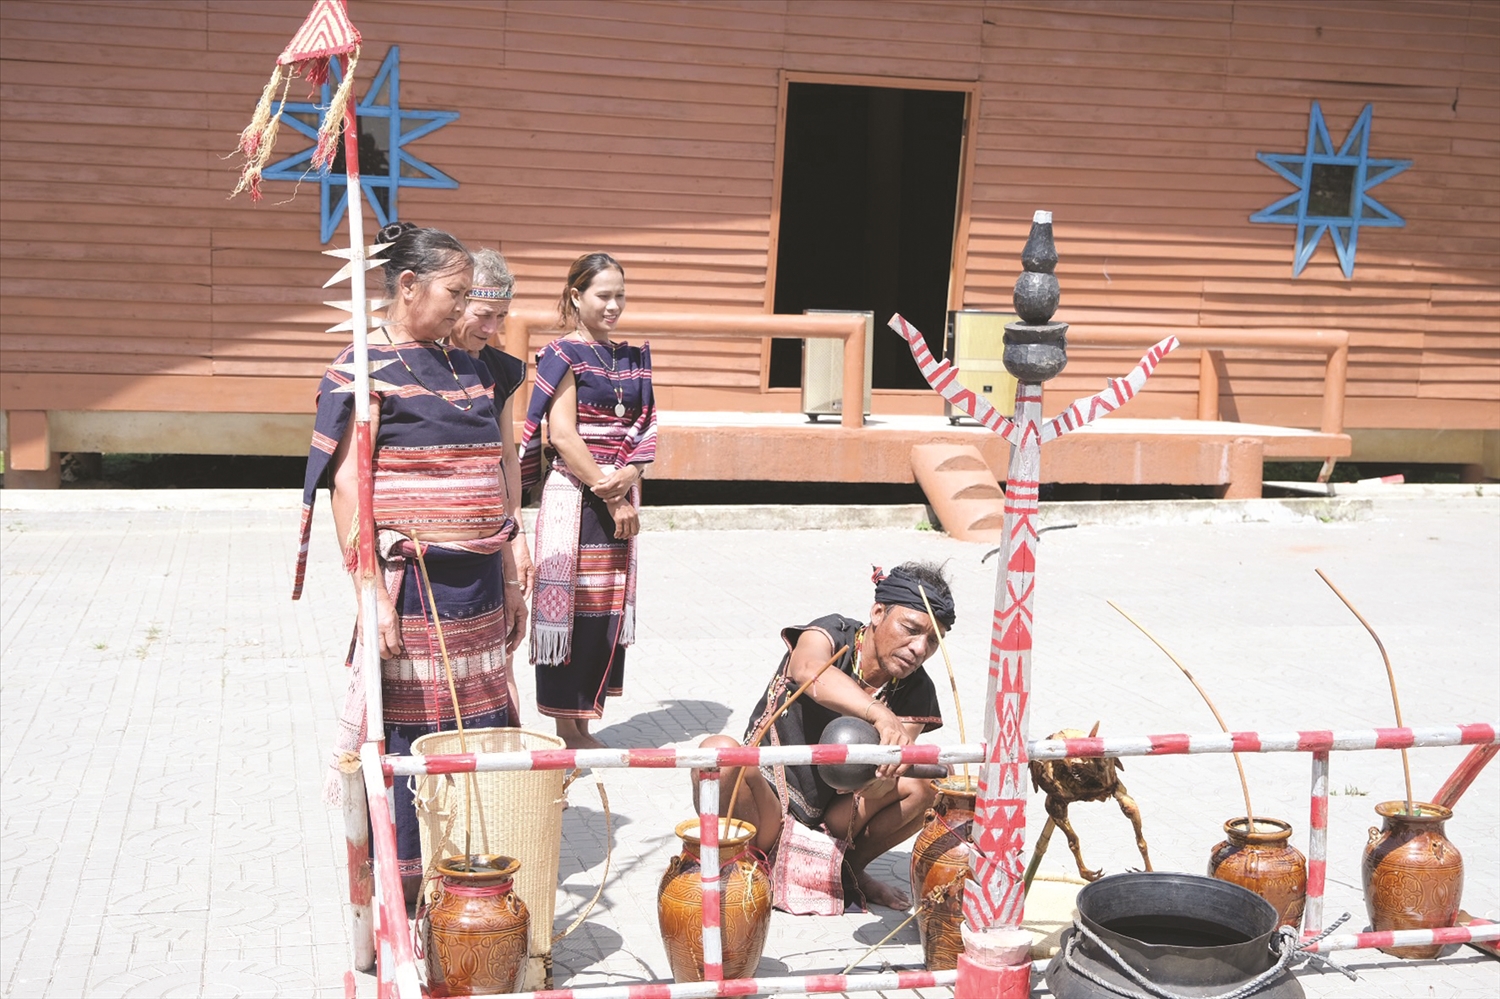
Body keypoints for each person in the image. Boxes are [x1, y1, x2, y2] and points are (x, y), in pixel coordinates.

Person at [294, 222, 524, 902]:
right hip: (416, 592)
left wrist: (512, 576)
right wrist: (370, 589)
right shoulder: (362, 369)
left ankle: (476, 884)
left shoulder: (473, 370)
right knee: (415, 743)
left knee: (479, 740)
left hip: (481, 589)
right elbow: (346, 485)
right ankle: (409, 897)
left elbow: (496, 477)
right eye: (455, 293)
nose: (463, 306)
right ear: (408, 285)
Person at [695, 562, 956, 910]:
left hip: (834, 819)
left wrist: (881, 777)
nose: (919, 648)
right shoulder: (829, 633)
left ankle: (845, 871)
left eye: (932, 640)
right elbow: (807, 670)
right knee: (716, 754)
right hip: (764, 805)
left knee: (930, 786)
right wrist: (878, 712)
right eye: (911, 629)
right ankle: (741, 867)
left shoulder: (918, 689)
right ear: (878, 612)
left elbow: (883, 785)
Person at [518, 252, 656, 749]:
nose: (614, 305)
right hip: (577, 497)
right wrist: (610, 491)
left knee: (604, 608)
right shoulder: (562, 354)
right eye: (603, 295)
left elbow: (646, 428)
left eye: (620, 294)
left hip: (619, 489)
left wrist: (632, 473)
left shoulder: (632, 359)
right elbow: (563, 436)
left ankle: (584, 720)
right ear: (576, 296)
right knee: (571, 611)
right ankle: (565, 727)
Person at [447, 247, 535, 632]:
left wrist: (517, 535)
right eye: (483, 316)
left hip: (492, 524)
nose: (492, 329)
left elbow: (507, 458)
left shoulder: (500, 369)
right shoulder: (416, 361)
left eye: (500, 318)